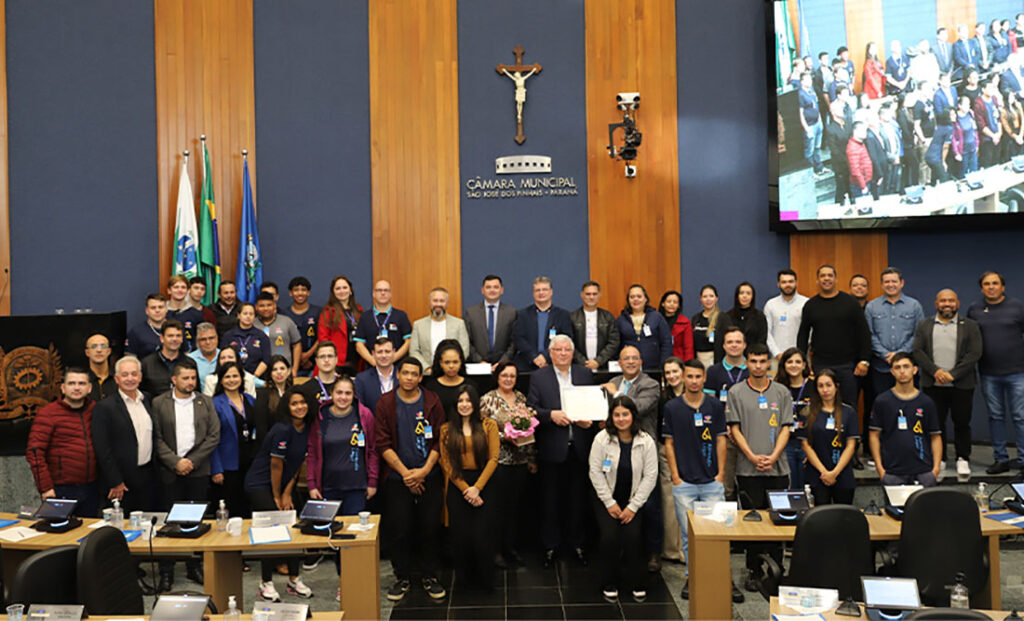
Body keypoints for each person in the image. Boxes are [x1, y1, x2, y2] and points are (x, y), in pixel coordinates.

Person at [375, 357, 447, 602]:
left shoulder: (431, 401)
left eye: (414, 374)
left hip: (430, 475)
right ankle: (402, 577)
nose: (408, 377)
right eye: (404, 373)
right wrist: (407, 474)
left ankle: (430, 576)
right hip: (398, 478)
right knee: (400, 529)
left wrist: (424, 471)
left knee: (429, 527)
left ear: (420, 377)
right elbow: (381, 442)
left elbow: (440, 439)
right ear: (398, 375)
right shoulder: (385, 403)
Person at [663, 359, 734, 603]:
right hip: (685, 483)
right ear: (683, 378)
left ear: (704, 379)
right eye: (689, 376)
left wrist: (720, 474)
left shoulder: (714, 405)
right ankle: (693, 575)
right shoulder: (672, 407)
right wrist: (675, 476)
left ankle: (723, 577)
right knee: (688, 534)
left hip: (712, 480)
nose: (693, 381)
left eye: (698, 377)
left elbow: (721, 440)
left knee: (719, 531)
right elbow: (669, 443)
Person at [726, 343, 792, 593]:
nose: (758, 366)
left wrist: (773, 456)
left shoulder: (782, 392)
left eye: (763, 361)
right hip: (748, 468)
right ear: (747, 363)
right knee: (752, 522)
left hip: (778, 468)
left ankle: (777, 570)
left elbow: (786, 427)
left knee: (779, 520)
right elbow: (734, 429)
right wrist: (753, 456)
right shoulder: (736, 391)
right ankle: (753, 570)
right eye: (753, 361)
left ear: (769, 364)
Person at [527, 334, 596, 567]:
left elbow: (595, 405)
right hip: (552, 448)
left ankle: (577, 545)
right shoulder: (539, 377)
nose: (563, 353)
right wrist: (550, 415)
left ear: (573, 352)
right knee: (550, 501)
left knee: (578, 500)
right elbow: (531, 409)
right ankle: (550, 547)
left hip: (580, 447)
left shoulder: (585, 374)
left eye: (567, 349)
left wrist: (591, 420)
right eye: (558, 350)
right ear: (551, 352)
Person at [152, 359, 219, 592]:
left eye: (193, 378)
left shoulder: (205, 402)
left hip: (197, 470)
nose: (190, 382)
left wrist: (191, 461)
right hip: (170, 472)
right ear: (174, 379)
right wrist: (175, 462)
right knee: (169, 522)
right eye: (185, 378)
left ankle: (194, 566)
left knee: (195, 521)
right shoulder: (159, 403)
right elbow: (156, 438)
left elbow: (213, 435)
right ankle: (166, 572)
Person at [243, 387, 314, 601]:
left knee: (294, 527)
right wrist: (276, 496)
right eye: (294, 403)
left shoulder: (306, 427)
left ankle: (294, 579)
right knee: (272, 531)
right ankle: (265, 582)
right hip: (260, 484)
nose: (299, 407)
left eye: (302, 402)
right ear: (287, 407)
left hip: (282, 483)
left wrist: (287, 493)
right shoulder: (283, 429)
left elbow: (295, 464)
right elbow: (276, 465)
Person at [589, 395, 658, 604]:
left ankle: (637, 583)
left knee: (633, 538)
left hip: (633, 499)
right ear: (611, 417)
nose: (621, 419)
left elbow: (651, 475)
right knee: (609, 537)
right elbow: (595, 471)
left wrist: (633, 507)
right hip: (606, 497)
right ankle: (609, 583)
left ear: (633, 416)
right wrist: (609, 503)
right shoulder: (602, 438)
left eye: (625, 414)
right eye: (616, 415)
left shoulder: (646, 441)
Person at [600, 345, 662, 571]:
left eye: (635, 358)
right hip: (616, 450)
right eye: (626, 358)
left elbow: (636, 408)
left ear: (641, 361)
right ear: (620, 362)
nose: (631, 362)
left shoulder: (651, 384)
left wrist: (614, 394)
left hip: (643, 449)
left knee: (650, 503)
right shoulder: (613, 380)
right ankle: (624, 549)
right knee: (620, 498)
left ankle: (654, 553)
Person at [913, 289, 982, 480]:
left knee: (962, 422)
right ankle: (940, 458)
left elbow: (974, 353)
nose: (947, 304)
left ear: (957, 303)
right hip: (933, 383)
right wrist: (936, 371)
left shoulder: (970, 325)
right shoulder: (924, 325)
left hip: (962, 384)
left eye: (951, 300)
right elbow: (918, 351)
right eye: (943, 301)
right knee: (936, 424)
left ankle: (962, 457)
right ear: (936, 304)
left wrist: (952, 374)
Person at [439, 385, 500, 590]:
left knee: (483, 536)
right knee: (461, 538)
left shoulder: (488, 425)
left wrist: (477, 488)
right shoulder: (446, 429)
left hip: (485, 484)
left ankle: (486, 581)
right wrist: (467, 489)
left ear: (475, 403)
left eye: (468, 401)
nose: (464, 405)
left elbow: (493, 458)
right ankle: (464, 583)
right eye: (460, 401)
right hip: (458, 486)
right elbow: (446, 463)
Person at [479, 361, 536, 567]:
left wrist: (531, 458)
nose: (508, 379)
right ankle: (494, 551)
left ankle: (510, 548)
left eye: (512, 376)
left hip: (520, 461)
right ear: (498, 377)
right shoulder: (488, 399)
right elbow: (482, 432)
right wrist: (504, 436)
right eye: (505, 375)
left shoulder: (521, 398)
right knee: (496, 508)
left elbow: (529, 427)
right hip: (498, 461)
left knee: (514, 508)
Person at [967, 271, 1024, 474]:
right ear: (982, 288)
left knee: (1020, 416)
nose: (991, 287)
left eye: (995, 283)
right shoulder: (974, 309)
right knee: (995, 416)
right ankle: (1000, 458)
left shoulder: (1017, 307)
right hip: (989, 373)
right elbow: (970, 339)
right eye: (987, 284)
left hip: (1018, 372)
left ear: (1003, 287)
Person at [25, 367, 99, 517]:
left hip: (92, 488)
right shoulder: (48, 414)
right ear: (63, 388)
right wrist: (45, 488)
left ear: (89, 388)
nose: (77, 388)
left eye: (81, 383)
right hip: (61, 489)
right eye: (71, 383)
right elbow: (34, 452)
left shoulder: (96, 410)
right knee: (60, 534)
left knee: (88, 536)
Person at [797, 265, 871, 410]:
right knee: (821, 406)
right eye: (823, 276)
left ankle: (849, 433)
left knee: (849, 406)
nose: (826, 279)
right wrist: (802, 362)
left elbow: (864, 332)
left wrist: (865, 360)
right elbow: (803, 335)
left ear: (836, 279)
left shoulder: (850, 303)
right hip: (820, 365)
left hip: (848, 366)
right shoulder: (811, 305)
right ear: (817, 280)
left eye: (830, 275)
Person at [92, 356, 158, 515]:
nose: (130, 378)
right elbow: (102, 448)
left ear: (140, 377)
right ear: (116, 379)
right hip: (121, 482)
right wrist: (116, 481)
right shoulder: (104, 407)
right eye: (125, 375)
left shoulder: (148, 400)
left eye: (134, 374)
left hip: (148, 477)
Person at [869, 353, 942, 487]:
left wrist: (935, 470)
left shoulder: (926, 402)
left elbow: (935, 436)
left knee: (925, 508)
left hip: (923, 472)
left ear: (915, 370)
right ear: (892, 372)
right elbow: (874, 435)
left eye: (906, 366)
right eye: (897, 368)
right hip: (892, 473)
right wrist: (880, 469)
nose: (902, 371)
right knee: (894, 509)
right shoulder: (882, 401)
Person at [307, 376, 378, 513]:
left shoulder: (364, 415)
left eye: (348, 393)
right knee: (328, 531)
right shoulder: (321, 416)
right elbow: (312, 453)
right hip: (328, 487)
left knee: (354, 531)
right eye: (339, 392)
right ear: (332, 393)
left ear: (354, 395)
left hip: (357, 487)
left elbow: (373, 451)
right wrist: (311, 485)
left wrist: (373, 481)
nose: (343, 397)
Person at [865, 268, 925, 412]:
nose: (890, 284)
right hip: (881, 368)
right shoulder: (872, 306)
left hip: (908, 368)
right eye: (887, 282)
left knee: (910, 407)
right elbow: (869, 335)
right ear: (882, 284)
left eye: (894, 281)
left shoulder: (914, 305)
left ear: (901, 283)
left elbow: (918, 334)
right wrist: (886, 355)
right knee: (883, 408)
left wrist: (899, 355)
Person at [795, 370, 858, 505]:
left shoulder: (849, 412)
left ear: (836, 386)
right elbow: (806, 445)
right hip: (817, 474)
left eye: (828, 385)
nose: (825, 390)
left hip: (842, 473)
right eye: (821, 386)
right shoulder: (807, 412)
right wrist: (824, 472)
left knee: (843, 517)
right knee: (819, 519)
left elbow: (851, 445)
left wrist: (834, 473)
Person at [703, 326, 748, 501]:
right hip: (723, 436)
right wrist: (726, 426)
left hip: (748, 435)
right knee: (726, 487)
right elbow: (709, 406)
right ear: (723, 346)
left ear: (744, 345)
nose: (734, 345)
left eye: (738, 342)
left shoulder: (753, 369)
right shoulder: (713, 371)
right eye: (730, 342)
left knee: (747, 486)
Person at [209, 361, 258, 518]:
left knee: (248, 507)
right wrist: (216, 469)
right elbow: (211, 439)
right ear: (221, 380)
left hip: (249, 462)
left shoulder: (250, 400)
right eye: (227, 376)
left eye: (235, 376)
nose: (231, 380)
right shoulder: (215, 404)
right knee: (232, 508)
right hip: (227, 466)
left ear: (242, 378)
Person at [513, 276, 574, 372]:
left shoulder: (563, 315)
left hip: (553, 364)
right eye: (538, 290)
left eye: (544, 289)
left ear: (551, 292)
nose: (541, 293)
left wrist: (545, 357)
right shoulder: (523, 314)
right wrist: (534, 357)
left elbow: (566, 338)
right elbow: (519, 339)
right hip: (526, 365)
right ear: (533, 293)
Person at [409, 287, 471, 370]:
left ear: (447, 303)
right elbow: (414, 351)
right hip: (427, 373)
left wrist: (450, 366)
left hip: (452, 372)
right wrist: (426, 367)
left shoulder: (459, 324)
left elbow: (464, 350)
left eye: (442, 301)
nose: (438, 304)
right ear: (430, 302)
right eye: (435, 300)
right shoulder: (418, 325)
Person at [354, 280, 412, 367]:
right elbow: (359, 344)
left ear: (390, 294)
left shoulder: (401, 315)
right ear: (373, 294)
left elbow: (408, 342)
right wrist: (373, 362)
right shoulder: (365, 317)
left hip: (396, 367)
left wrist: (392, 359)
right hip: (372, 367)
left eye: (386, 290)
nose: (383, 293)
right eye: (379, 290)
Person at [464, 274, 517, 368]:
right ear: (482, 290)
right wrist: (479, 361)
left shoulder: (511, 312)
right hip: (477, 366)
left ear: (502, 290)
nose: (492, 290)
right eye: (488, 287)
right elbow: (466, 341)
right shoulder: (471, 312)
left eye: (496, 287)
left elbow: (514, 342)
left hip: (503, 366)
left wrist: (503, 361)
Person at [616, 284, 672, 370]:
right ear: (628, 300)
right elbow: (616, 345)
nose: (636, 299)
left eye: (639, 296)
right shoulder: (621, 320)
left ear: (645, 299)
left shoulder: (656, 317)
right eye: (632, 297)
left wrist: (664, 365)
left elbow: (666, 342)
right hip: (629, 367)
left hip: (654, 367)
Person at [778, 347, 811, 490]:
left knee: (807, 488)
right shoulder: (778, 387)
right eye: (789, 361)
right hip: (786, 444)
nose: (794, 365)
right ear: (784, 365)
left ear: (804, 365)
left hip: (808, 444)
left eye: (798, 362)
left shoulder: (814, 386)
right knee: (790, 488)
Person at [570, 280, 621, 370]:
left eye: (594, 294)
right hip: (579, 367)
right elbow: (569, 343)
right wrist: (583, 362)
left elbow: (614, 342)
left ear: (599, 295)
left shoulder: (608, 317)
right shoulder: (572, 317)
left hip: (603, 366)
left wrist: (598, 361)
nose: (591, 297)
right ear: (582, 295)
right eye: (588, 294)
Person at [317, 275, 363, 371]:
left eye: (345, 287)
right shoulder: (327, 312)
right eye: (338, 288)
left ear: (350, 290)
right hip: (337, 362)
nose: (342, 291)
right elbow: (323, 340)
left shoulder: (359, 311)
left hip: (357, 361)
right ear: (333, 292)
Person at [764, 270, 808, 365]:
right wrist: (777, 353)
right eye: (784, 282)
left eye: (791, 281)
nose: (787, 285)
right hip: (777, 359)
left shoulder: (806, 303)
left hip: (801, 358)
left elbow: (811, 332)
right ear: (778, 284)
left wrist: (800, 353)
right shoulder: (771, 304)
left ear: (796, 283)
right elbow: (767, 332)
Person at [279, 276, 321, 377]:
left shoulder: (318, 312)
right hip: (290, 366)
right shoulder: (284, 314)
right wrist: (298, 358)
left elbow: (322, 336)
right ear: (290, 293)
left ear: (308, 292)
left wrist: (308, 355)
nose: (300, 293)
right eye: (296, 290)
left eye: (303, 290)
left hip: (314, 364)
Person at [255, 292, 301, 376]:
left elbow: (297, 345)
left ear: (275, 306)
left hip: (283, 371)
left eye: (269, 305)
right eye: (262, 306)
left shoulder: (287, 321)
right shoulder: (252, 323)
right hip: (259, 373)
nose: (266, 308)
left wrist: (294, 369)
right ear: (256, 307)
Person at [221, 302, 270, 378]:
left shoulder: (261, 336)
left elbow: (266, 359)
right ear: (239, 315)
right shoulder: (228, 336)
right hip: (232, 377)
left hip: (256, 377)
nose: (248, 316)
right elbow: (223, 358)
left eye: (251, 314)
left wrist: (254, 377)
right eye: (245, 313)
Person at [422, 339, 468, 416]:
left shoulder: (470, 385)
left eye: (455, 362)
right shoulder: (431, 387)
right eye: (447, 362)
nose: (451, 366)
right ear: (440, 363)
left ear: (461, 362)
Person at [252, 355, 293, 439]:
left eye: (282, 368)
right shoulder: (262, 395)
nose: (279, 372)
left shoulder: (294, 393)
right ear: (270, 373)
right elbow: (261, 427)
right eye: (274, 369)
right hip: (270, 443)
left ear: (288, 371)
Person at [140, 320, 185, 397]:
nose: (174, 339)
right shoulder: (146, 364)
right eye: (170, 336)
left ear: (182, 339)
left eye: (178, 336)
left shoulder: (189, 363)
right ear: (162, 338)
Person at [692, 284, 733, 367]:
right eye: (705, 296)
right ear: (701, 299)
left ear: (716, 299)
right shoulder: (696, 318)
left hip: (717, 361)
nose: (708, 299)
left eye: (711, 296)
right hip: (698, 361)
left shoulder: (723, 318)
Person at [355, 336, 396, 415]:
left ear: (394, 352)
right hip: (373, 425)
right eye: (379, 352)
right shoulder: (362, 379)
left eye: (387, 351)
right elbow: (360, 410)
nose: (383, 356)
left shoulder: (403, 376)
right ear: (373, 354)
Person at [299, 341, 342, 412]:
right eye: (322, 356)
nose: (326, 360)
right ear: (316, 360)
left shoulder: (345, 386)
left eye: (330, 356)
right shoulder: (306, 389)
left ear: (336, 359)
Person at [824, 100, 853, 205]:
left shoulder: (848, 123)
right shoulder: (831, 129)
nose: (842, 111)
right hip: (841, 163)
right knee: (842, 186)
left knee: (851, 186)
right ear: (833, 112)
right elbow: (834, 149)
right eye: (840, 109)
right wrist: (846, 160)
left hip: (851, 159)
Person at [798, 71, 826, 176]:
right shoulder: (800, 94)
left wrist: (820, 120)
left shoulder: (812, 90)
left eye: (810, 79)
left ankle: (819, 168)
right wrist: (806, 128)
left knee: (817, 147)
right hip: (809, 125)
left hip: (817, 122)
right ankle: (810, 172)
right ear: (802, 81)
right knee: (809, 150)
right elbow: (800, 113)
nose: (810, 81)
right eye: (808, 79)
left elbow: (816, 105)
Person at [166, 274, 204, 352]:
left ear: (188, 291)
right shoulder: (162, 313)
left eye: (183, 287)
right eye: (176, 287)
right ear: (169, 290)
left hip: (190, 357)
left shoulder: (196, 314)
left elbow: (201, 339)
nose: (180, 290)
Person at [727, 282, 768, 348]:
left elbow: (762, 339)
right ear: (737, 296)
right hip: (733, 354)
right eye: (741, 293)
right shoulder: (728, 316)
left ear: (752, 296)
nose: (744, 296)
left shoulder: (759, 316)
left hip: (753, 354)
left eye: (748, 293)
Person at [975, 79, 1003, 168]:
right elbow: (981, 125)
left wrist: (999, 133)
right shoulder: (978, 103)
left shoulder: (994, 99)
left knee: (997, 160)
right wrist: (993, 136)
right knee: (988, 162)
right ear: (983, 89)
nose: (992, 90)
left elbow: (998, 118)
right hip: (987, 139)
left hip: (997, 136)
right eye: (989, 88)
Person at [658, 290, 694, 361]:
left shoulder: (685, 322)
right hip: (658, 359)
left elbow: (688, 347)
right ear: (663, 303)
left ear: (679, 306)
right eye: (669, 301)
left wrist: (688, 364)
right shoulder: (656, 320)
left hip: (678, 360)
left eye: (675, 302)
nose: (672, 304)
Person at [952, 95, 980, 177]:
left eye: (968, 104)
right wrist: (956, 152)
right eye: (965, 104)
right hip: (963, 150)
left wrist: (977, 143)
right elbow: (953, 137)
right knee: (963, 172)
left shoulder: (971, 114)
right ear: (960, 106)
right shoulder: (956, 119)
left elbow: (975, 130)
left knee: (974, 170)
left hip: (972, 147)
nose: (967, 107)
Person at [847, 121, 874, 202]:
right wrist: (863, 186)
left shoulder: (860, 143)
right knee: (862, 207)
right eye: (863, 130)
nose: (866, 133)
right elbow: (855, 170)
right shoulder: (853, 148)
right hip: (859, 185)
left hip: (865, 181)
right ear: (855, 131)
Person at [85, 333, 116, 401]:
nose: (99, 350)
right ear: (87, 352)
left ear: (109, 351)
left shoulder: (119, 378)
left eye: (103, 346)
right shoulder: (82, 380)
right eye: (94, 346)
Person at [188, 322, 222, 386]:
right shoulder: (189, 360)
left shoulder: (226, 356)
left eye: (211, 338)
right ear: (197, 341)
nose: (208, 342)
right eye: (203, 339)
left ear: (217, 338)